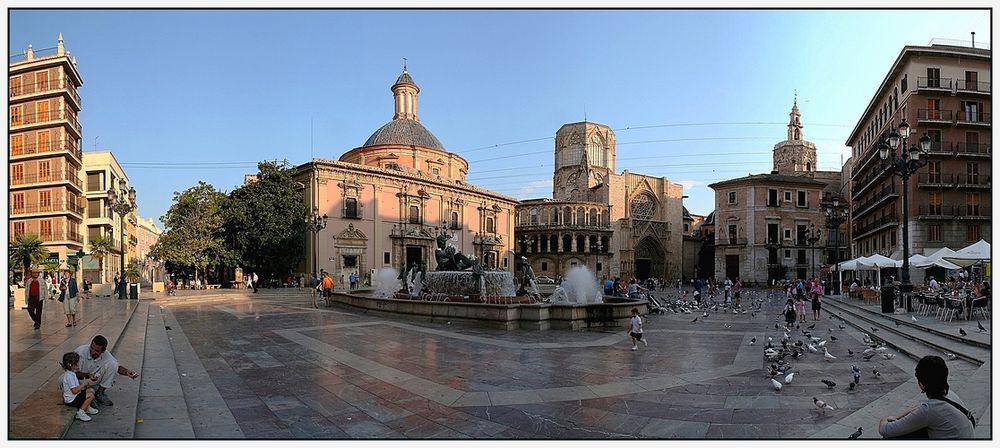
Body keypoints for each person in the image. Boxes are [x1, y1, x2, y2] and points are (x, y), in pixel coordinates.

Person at [878, 355, 974, 439]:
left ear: (922, 384)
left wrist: (885, 419)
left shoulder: (930, 410)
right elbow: (919, 409)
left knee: (891, 437)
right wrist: (896, 417)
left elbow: (885, 430)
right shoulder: (950, 395)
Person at [74, 335, 139, 407]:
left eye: (96, 351)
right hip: (78, 381)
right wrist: (87, 375)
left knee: (113, 365)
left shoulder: (106, 355)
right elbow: (73, 373)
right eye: (91, 348)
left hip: (92, 379)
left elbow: (117, 367)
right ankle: (87, 396)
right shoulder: (80, 351)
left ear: (103, 351)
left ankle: (100, 393)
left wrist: (127, 372)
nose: (92, 352)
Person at [60, 352, 99, 422]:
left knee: (91, 390)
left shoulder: (72, 374)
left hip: (75, 396)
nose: (79, 364)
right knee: (90, 395)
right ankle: (81, 412)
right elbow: (74, 391)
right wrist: (84, 384)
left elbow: (76, 387)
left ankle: (87, 407)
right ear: (72, 364)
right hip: (71, 400)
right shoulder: (69, 376)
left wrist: (84, 386)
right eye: (78, 362)